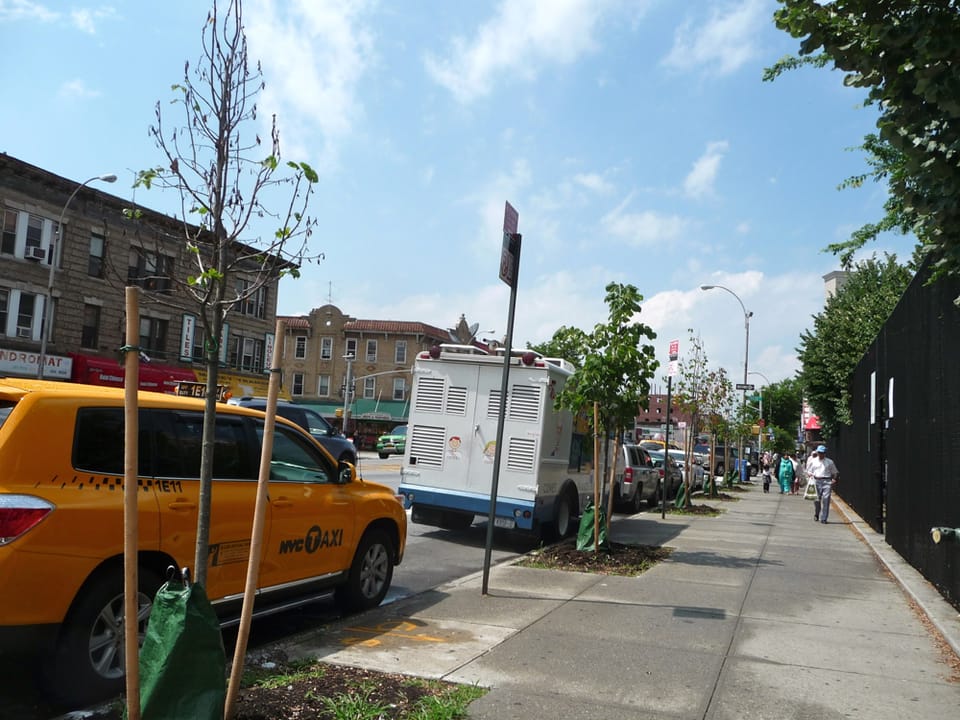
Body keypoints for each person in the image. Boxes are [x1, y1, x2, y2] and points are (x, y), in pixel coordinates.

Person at [806, 444, 839, 523]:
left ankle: (824, 518)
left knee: (826, 499)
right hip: (816, 480)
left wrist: (834, 479)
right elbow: (808, 470)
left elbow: (835, 472)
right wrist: (810, 474)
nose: (821, 454)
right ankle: (817, 513)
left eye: (822, 453)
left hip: (826, 481)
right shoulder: (813, 461)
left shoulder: (830, 462)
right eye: (820, 452)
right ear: (817, 453)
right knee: (816, 499)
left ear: (825, 453)